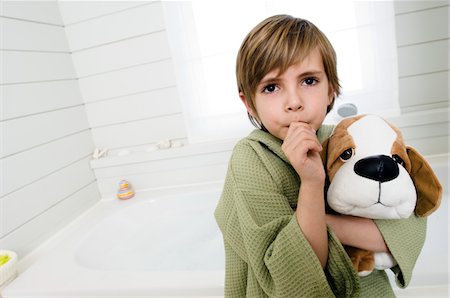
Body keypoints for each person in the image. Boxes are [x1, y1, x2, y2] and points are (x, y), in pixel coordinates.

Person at [214, 14, 426, 297]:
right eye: (271, 87)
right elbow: (295, 277)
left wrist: (322, 221)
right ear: (249, 103)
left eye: (309, 81)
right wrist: (312, 183)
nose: (294, 102)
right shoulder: (251, 158)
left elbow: (403, 229)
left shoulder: (349, 139)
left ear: (331, 90)